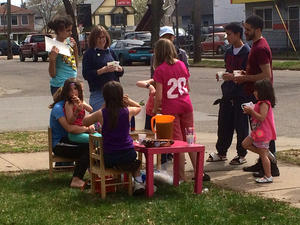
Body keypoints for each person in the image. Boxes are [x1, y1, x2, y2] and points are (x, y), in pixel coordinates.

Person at [233, 15, 280, 177]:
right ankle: (262, 162)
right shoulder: (256, 45)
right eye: (245, 28)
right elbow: (259, 72)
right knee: (257, 131)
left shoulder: (260, 48)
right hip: (254, 93)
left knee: (264, 131)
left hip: (260, 95)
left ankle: (271, 166)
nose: (245, 32)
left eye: (248, 29)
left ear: (258, 30)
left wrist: (245, 78)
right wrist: (247, 73)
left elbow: (266, 75)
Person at [82, 81, 146, 193]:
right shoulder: (127, 111)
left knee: (92, 155)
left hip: (109, 156)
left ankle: (98, 181)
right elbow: (139, 107)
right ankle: (138, 183)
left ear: (105, 96)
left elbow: (85, 122)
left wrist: (102, 107)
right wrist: (128, 100)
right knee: (134, 163)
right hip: (128, 154)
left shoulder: (101, 113)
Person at [152, 38, 199, 182]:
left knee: (178, 142)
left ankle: (181, 176)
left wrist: (154, 110)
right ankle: (199, 173)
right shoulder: (182, 65)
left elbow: (159, 96)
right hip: (186, 104)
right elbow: (188, 87)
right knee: (190, 140)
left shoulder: (160, 70)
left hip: (171, 108)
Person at [206, 22, 251, 165]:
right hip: (227, 93)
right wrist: (224, 75)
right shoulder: (229, 51)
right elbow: (228, 69)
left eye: (229, 34)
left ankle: (241, 154)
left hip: (241, 94)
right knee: (224, 124)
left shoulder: (247, 52)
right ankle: (221, 152)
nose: (227, 37)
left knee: (241, 126)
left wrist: (233, 76)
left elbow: (248, 73)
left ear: (238, 34)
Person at [49, 80, 95, 189]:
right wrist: (87, 129)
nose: (74, 92)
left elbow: (88, 112)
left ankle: (95, 174)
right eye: (71, 90)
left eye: (77, 89)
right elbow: (70, 128)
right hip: (60, 144)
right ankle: (76, 179)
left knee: (92, 145)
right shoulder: (59, 108)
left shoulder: (78, 103)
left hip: (71, 140)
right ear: (66, 92)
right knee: (88, 148)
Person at [82, 25, 124, 113]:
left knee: (115, 119)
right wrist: (102, 70)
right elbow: (86, 75)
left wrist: (120, 69)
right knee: (98, 120)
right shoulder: (89, 54)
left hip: (114, 92)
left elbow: (120, 72)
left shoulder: (111, 51)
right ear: (94, 39)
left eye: (103, 37)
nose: (102, 40)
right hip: (99, 92)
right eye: (99, 38)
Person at [242, 80, 277, 183]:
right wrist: (251, 109)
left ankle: (268, 176)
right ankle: (267, 153)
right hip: (257, 131)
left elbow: (262, 118)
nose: (254, 92)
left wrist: (251, 111)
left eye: (256, 90)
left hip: (263, 132)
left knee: (262, 155)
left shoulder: (265, 104)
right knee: (245, 144)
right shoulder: (259, 103)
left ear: (263, 92)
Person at [63, 78, 101, 143]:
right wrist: (76, 112)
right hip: (75, 133)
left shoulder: (81, 101)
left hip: (84, 128)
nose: (73, 92)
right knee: (97, 140)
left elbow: (90, 109)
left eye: (75, 89)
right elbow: (70, 121)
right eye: (70, 90)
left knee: (101, 137)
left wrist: (81, 102)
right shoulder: (68, 104)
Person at [48, 15, 78, 96]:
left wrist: (75, 48)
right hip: (60, 85)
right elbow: (52, 74)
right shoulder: (53, 45)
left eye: (71, 30)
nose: (70, 33)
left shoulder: (69, 41)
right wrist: (52, 59)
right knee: (64, 108)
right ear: (59, 31)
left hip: (73, 83)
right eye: (68, 30)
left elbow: (75, 65)